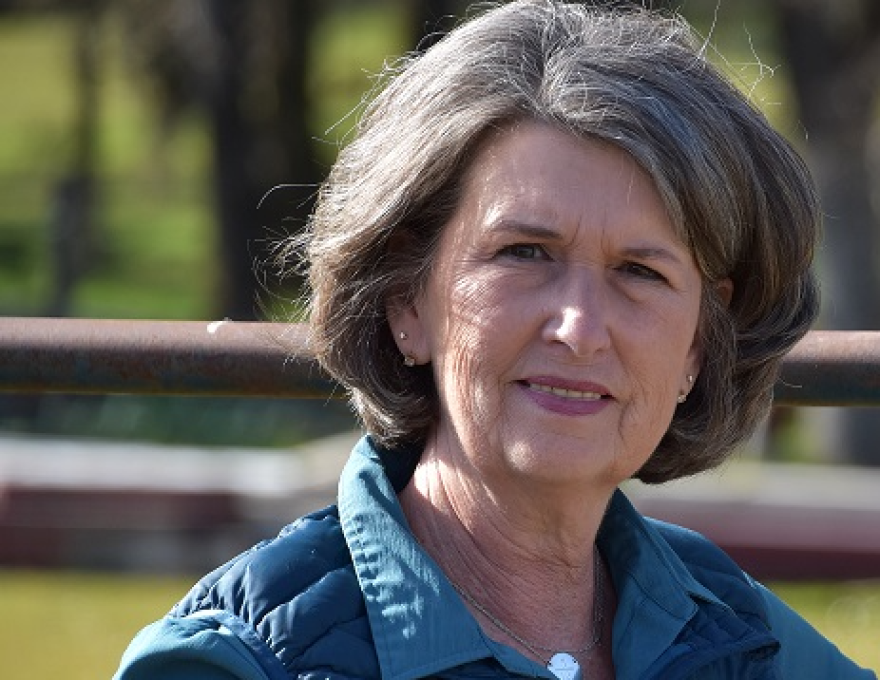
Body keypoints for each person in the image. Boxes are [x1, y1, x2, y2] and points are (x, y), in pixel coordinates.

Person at [114, 1, 876, 678]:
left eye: (640, 271)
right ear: (406, 298)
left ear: (700, 345)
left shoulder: (744, 636)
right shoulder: (236, 662)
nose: (579, 328)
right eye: (525, 253)